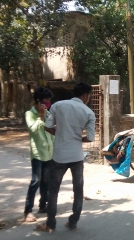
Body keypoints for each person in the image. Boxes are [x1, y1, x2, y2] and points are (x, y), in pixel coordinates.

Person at [35, 82, 96, 232]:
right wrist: (77, 138)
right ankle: (73, 222)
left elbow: (47, 126)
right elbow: (90, 137)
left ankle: (50, 224)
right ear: (85, 95)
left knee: (53, 190)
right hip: (76, 155)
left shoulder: (58, 106)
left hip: (59, 156)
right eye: (89, 95)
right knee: (78, 190)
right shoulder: (88, 112)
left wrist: (62, 134)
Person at [23, 87, 54, 222]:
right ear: (38, 101)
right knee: (36, 181)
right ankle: (28, 210)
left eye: (49, 100)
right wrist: (41, 116)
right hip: (37, 153)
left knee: (46, 181)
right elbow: (33, 130)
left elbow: (51, 131)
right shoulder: (30, 114)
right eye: (46, 100)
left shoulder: (48, 113)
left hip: (49, 153)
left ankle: (43, 205)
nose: (48, 102)